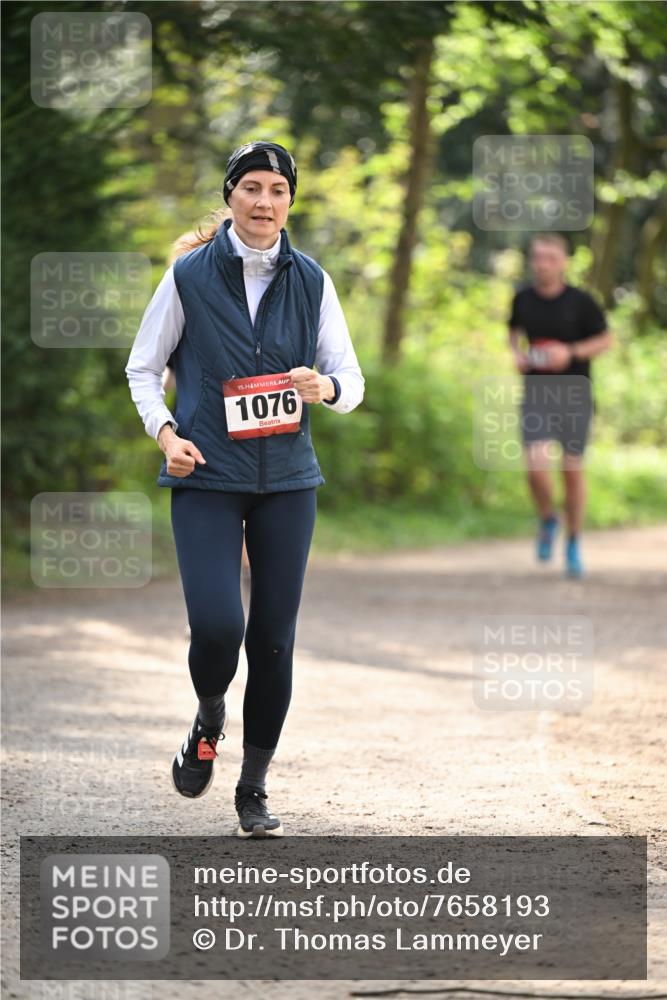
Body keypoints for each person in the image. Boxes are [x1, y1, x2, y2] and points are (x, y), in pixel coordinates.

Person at [125, 140, 365, 836]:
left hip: (288, 483)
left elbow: (348, 380)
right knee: (219, 627)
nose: (265, 203)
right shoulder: (188, 277)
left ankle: (253, 788)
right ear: (230, 194)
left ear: (291, 200)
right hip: (206, 476)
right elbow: (143, 368)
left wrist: (326, 387)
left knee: (273, 642)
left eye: (278, 191)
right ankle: (207, 716)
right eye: (252, 188)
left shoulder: (313, 279)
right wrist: (167, 435)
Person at [508, 233, 612, 578]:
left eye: (551, 258)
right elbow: (513, 333)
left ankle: (573, 541)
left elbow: (606, 339)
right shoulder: (522, 298)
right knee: (536, 469)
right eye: (538, 257)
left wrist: (570, 353)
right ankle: (549, 518)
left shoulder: (582, 301)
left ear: (564, 262)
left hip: (575, 395)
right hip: (536, 394)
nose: (543, 264)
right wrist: (517, 355)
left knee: (571, 470)